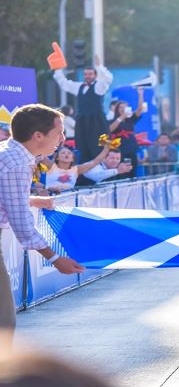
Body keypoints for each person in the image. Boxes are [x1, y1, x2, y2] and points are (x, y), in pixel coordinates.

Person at [0, 104, 85, 338]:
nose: (62, 138)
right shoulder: (17, 163)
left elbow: (7, 196)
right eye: (59, 132)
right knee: (4, 321)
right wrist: (55, 258)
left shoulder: (7, 152)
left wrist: (30, 200)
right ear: (38, 136)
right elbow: (23, 226)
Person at [53, 55, 113, 162]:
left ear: (95, 75)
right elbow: (64, 84)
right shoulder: (79, 86)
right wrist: (58, 69)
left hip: (97, 121)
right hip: (82, 120)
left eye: (90, 74)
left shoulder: (99, 86)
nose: (87, 76)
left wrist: (100, 66)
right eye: (85, 74)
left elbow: (108, 79)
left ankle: (101, 166)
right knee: (82, 146)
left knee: (99, 146)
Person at [43, 144, 111, 193]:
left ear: (73, 158)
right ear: (57, 157)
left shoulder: (76, 170)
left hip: (69, 201)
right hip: (50, 199)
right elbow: (40, 153)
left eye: (69, 153)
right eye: (63, 153)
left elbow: (95, 162)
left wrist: (106, 148)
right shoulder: (51, 166)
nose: (66, 154)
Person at [108, 88, 145, 179]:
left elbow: (140, 109)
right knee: (122, 172)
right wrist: (121, 117)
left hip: (131, 148)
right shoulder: (112, 120)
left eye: (125, 107)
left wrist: (140, 94)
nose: (123, 109)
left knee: (132, 169)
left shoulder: (130, 120)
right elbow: (110, 129)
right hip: (120, 149)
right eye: (121, 107)